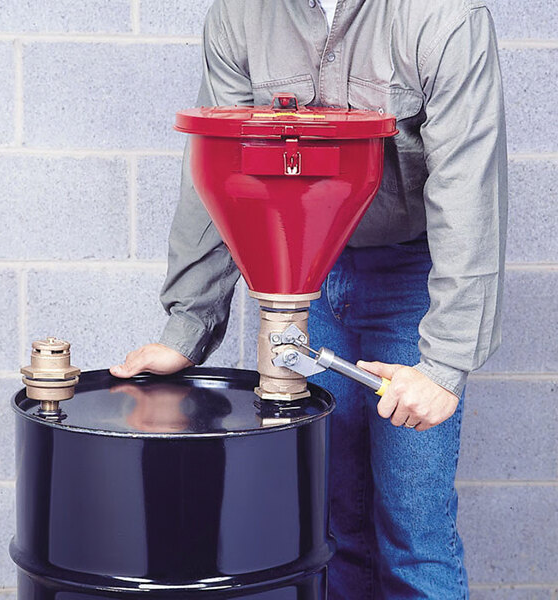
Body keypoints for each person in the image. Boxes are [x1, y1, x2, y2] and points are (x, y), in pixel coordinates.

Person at [111, 0, 507, 597]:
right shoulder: (242, 15)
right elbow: (218, 171)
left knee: (413, 538)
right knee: (333, 524)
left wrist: (444, 365)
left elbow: (469, 192)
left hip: (414, 278)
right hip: (302, 271)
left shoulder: (443, 17)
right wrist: (186, 331)